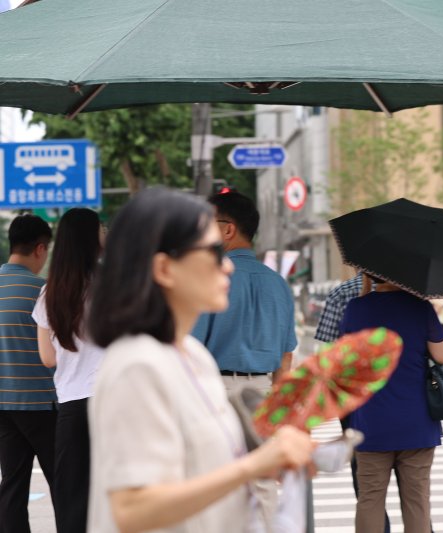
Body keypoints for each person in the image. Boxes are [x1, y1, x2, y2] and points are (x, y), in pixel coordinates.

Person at [85, 187, 315, 533]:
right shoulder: (137, 367)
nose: (225, 265)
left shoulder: (194, 357)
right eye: (211, 252)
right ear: (164, 268)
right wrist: (252, 466)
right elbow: (131, 510)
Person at [341, 274, 443, 533]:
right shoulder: (420, 307)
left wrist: (365, 297)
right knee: (417, 501)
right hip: (416, 421)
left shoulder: (356, 309)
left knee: (370, 499)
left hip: (371, 422)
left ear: (368, 274)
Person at [33, 208, 105, 533]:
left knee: (72, 499)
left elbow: (47, 358)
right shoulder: (113, 286)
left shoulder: (51, 293)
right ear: (94, 239)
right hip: (114, 402)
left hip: (72, 407)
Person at [192, 190, 297, 390]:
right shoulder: (279, 284)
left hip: (217, 390)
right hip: (263, 389)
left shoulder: (211, 278)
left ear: (228, 231)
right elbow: (286, 357)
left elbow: (191, 350)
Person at [314, 273, 394, 533]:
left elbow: (326, 354)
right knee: (413, 483)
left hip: (355, 397)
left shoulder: (341, 294)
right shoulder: (410, 292)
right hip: (404, 395)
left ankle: (379, 527)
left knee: (366, 478)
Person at [0, 215, 55, 533]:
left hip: (4, 406)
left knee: (12, 486)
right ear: (39, 248)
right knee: (63, 484)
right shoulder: (43, 291)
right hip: (43, 404)